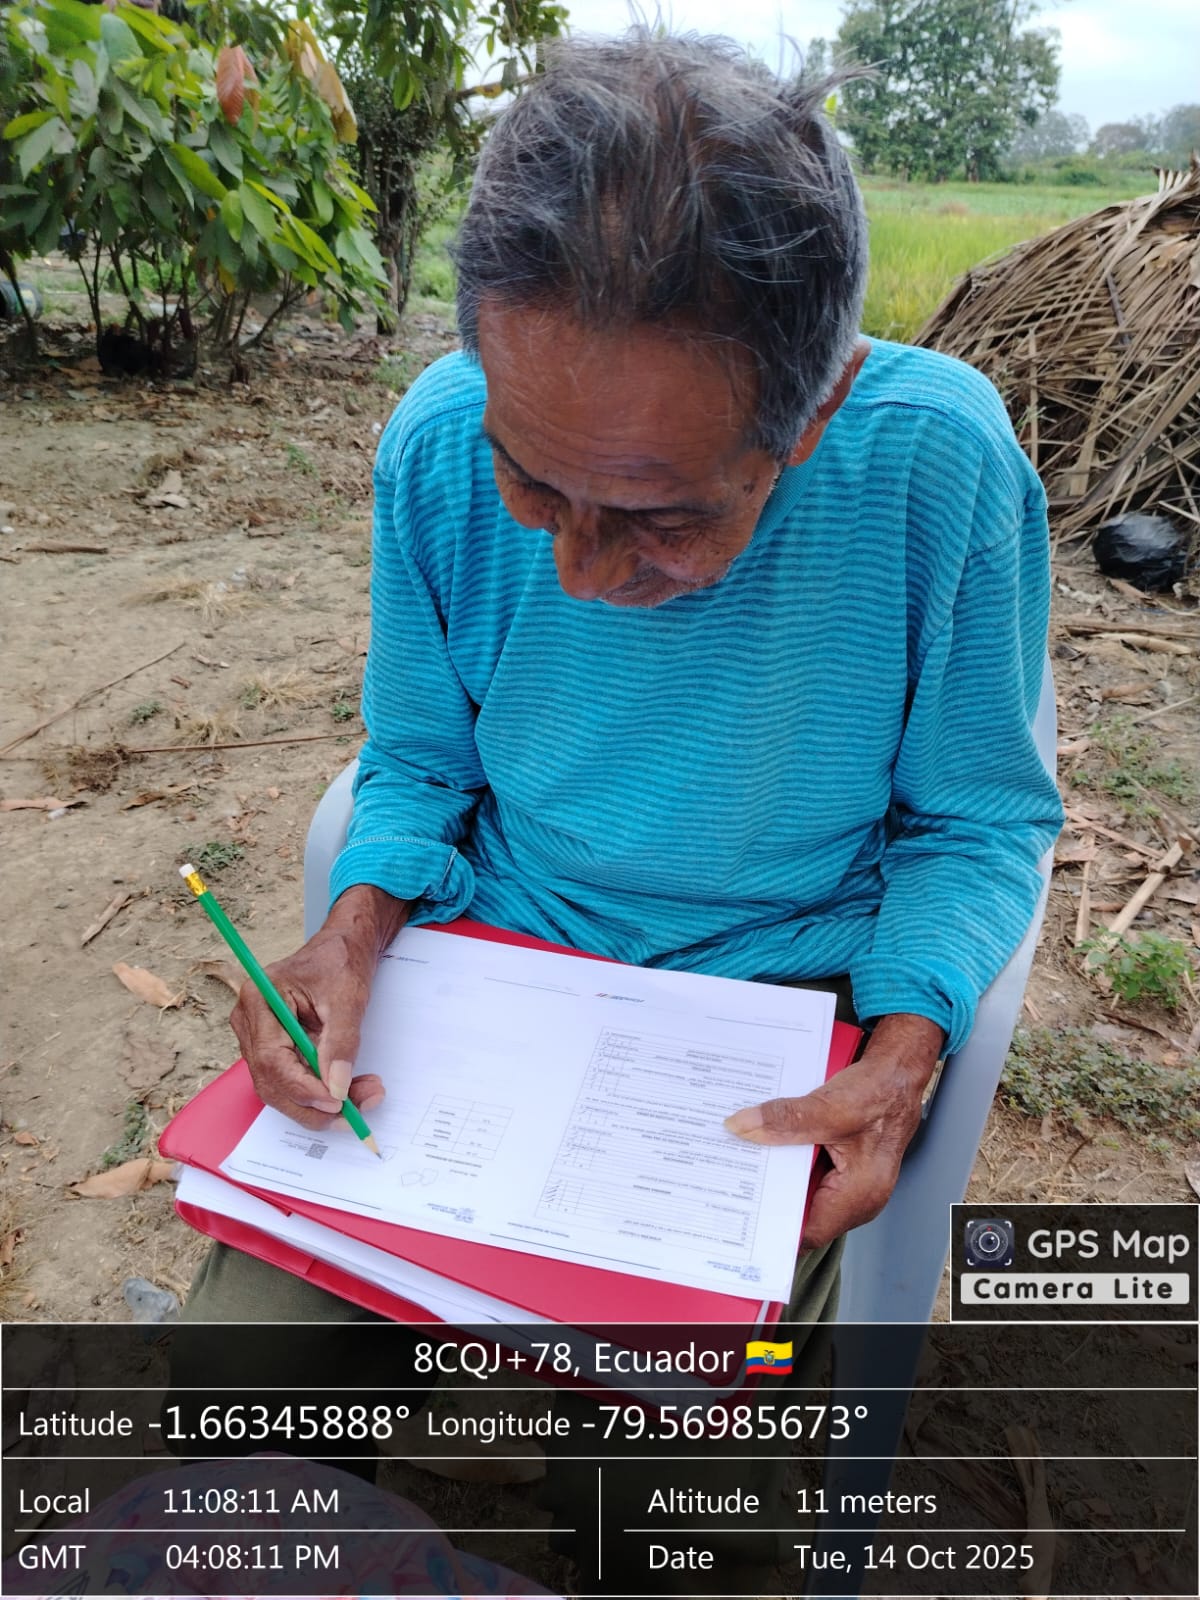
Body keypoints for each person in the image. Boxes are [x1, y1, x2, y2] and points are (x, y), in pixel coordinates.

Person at [179, 27, 1063, 1590]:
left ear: (813, 413)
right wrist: (354, 927)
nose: (583, 573)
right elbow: (422, 761)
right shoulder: (437, 441)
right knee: (233, 1412)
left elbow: (976, 820)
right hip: (492, 989)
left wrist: (905, 1049)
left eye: (660, 517)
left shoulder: (937, 467)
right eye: (537, 489)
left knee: (667, 1521)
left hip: (771, 1018)